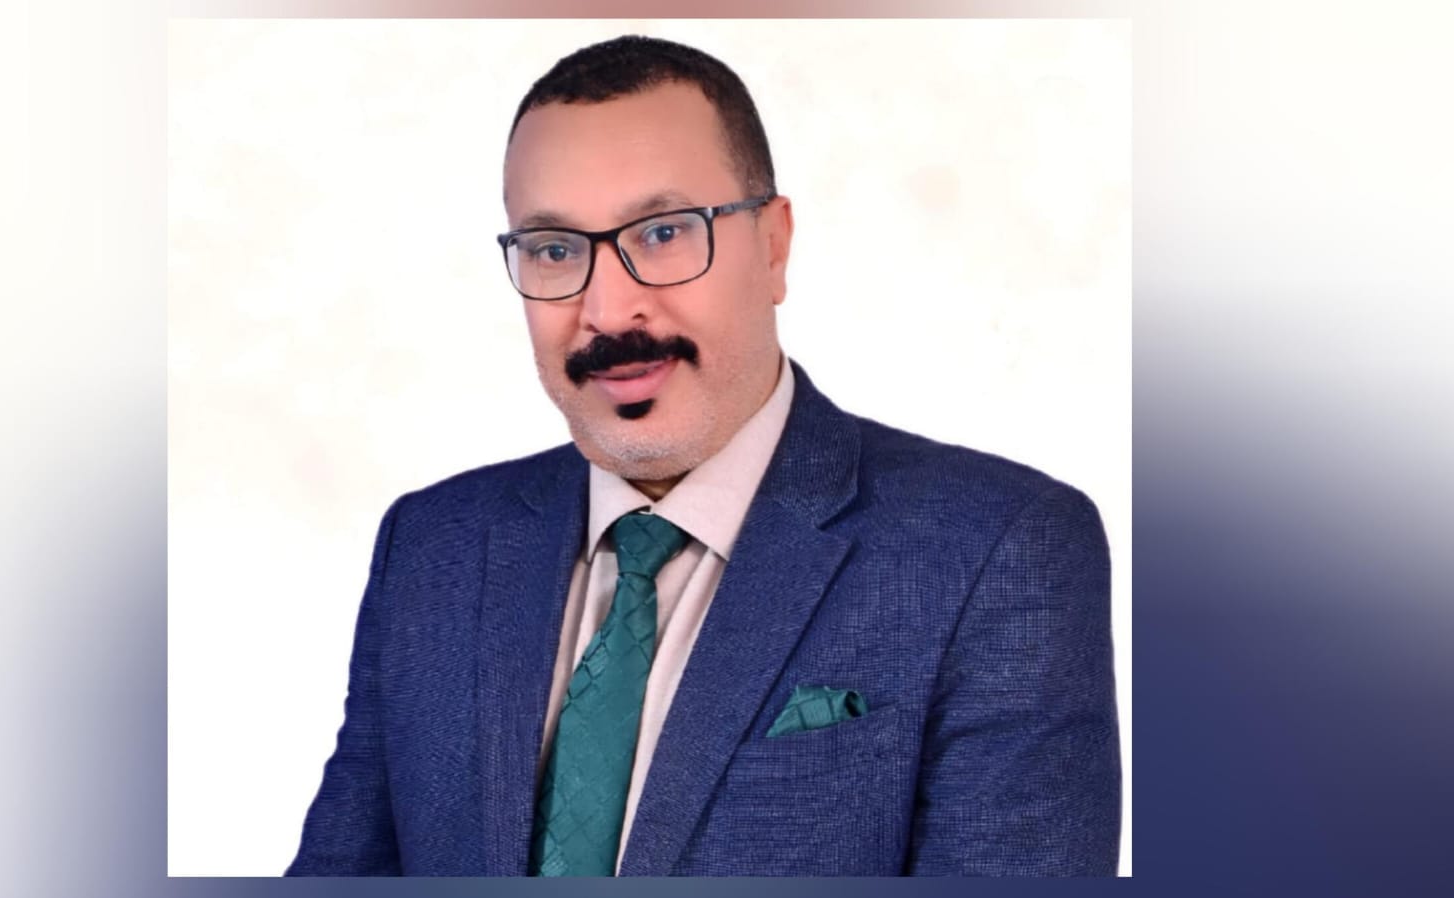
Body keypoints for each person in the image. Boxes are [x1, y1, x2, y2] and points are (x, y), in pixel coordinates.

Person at [287, 34, 1120, 877]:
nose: (608, 309)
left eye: (663, 233)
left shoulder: (995, 552)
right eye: (554, 249)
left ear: (773, 246)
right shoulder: (432, 547)